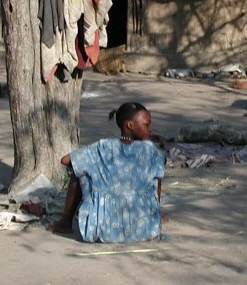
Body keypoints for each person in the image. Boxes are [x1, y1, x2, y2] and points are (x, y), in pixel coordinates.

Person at [51, 102, 165, 242]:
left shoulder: (102, 147)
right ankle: (155, 213)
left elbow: (65, 160)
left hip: (102, 229)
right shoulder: (150, 150)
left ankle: (65, 223)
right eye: (146, 125)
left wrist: (98, 169)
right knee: (157, 172)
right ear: (129, 125)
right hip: (145, 229)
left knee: (79, 168)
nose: (150, 129)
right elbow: (158, 177)